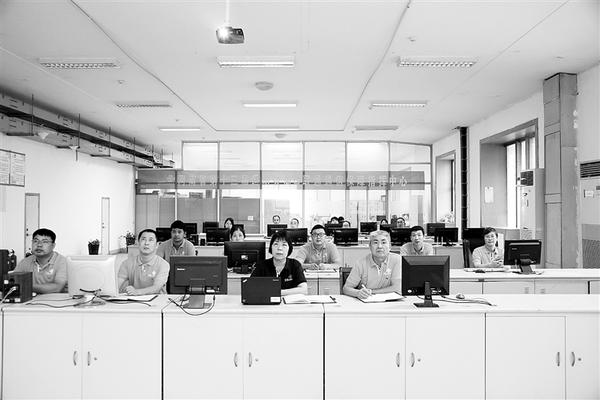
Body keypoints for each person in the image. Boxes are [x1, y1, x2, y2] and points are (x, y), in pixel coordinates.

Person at [343, 230, 401, 299]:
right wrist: (358, 293)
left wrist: (371, 291)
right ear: (370, 246)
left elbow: (397, 287)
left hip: (390, 302)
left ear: (390, 246)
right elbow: (346, 288)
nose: (380, 246)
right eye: (375, 243)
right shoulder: (361, 263)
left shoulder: (397, 260)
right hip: (365, 301)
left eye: (383, 242)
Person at [251, 230, 307, 295]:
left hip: (289, 301)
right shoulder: (261, 265)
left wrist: (278, 292)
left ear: (289, 248)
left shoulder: (295, 264)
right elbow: (250, 288)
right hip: (266, 301)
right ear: (271, 247)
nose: (279, 248)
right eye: (276, 244)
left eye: (284, 245)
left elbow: (304, 290)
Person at [13, 228, 67, 294]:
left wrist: (25, 286)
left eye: (45, 242)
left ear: (53, 245)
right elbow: (13, 282)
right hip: (32, 299)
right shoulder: (25, 262)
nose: (39, 245)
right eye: (35, 241)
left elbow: (57, 288)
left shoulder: (62, 262)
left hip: (57, 299)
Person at [118, 229, 170, 295]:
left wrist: (137, 292)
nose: (146, 243)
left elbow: (157, 287)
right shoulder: (127, 263)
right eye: (143, 239)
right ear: (138, 243)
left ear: (157, 245)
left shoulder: (163, 264)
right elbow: (117, 284)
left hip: (157, 299)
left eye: (150, 240)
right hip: (134, 299)